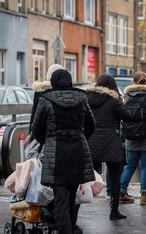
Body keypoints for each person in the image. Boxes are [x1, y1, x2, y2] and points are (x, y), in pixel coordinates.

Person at [31, 69, 95, 234]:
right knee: (72, 196)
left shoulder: (45, 100)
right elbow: (91, 124)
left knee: (60, 198)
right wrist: (81, 137)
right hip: (78, 150)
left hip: (57, 152)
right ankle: (71, 229)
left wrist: (48, 140)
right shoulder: (82, 98)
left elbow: (36, 129)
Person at [86, 74, 136, 220]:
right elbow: (128, 116)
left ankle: (75, 207)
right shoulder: (113, 101)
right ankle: (114, 211)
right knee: (115, 177)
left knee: (83, 177)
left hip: (92, 141)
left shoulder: (87, 99)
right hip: (111, 142)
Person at [119, 71, 146, 205]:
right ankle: (144, 195)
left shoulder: (126, 96)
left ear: (133, 82)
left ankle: (121, 191)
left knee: (130, 166)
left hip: (131, 136)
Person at [29, 64, 65, 130]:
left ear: (48, 75)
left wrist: (30, 133)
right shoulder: (65, 91)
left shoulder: (39, 91)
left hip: (43, 130)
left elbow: (34, 114)